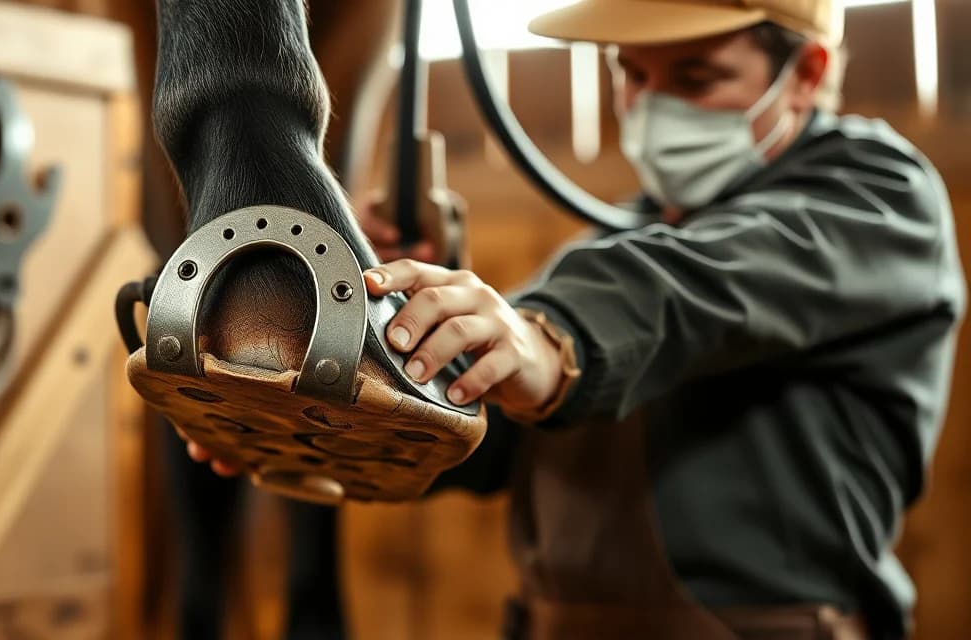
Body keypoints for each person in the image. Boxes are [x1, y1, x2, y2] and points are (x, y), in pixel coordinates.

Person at [184, 0, 966, 637]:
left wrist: (542, 338)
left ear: (806, 73)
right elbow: (491, 447)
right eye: (631, 72)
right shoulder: (615, 247)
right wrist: (363, 386)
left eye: (696, 74)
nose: (652, 104)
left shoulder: (878, 199)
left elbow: (699, 286)